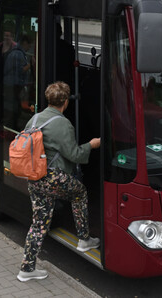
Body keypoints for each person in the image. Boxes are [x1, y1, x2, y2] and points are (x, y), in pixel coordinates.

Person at [18, 81, 101, 282]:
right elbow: (75, 154)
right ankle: (83, 239)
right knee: (79, 193)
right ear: (65, 102)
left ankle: (27, 269)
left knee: (38, 224)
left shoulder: (35, 118)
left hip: (35, 177)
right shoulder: (63, 123)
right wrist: (91, 145)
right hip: (53, 178)